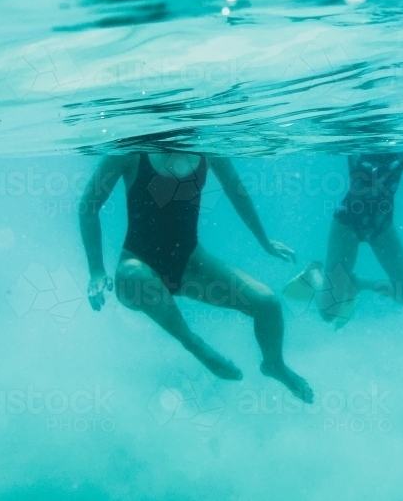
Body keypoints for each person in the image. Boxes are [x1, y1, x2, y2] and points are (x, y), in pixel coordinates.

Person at [80, 151, 313, 403]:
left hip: (191, 265)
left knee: (267, 303)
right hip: (135, 273)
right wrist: (96, 271)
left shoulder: (209, 149)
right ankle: (194, 344)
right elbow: (88, 207)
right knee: (135, 274)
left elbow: (237, 192)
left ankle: (274, 364)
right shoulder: (130, 151)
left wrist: (264, 241)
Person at [286, 151, 403, 326]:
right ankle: (312, 272)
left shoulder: (401, 143)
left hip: (382, 226)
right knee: (328, 312)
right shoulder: (358, 140)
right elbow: (365, 178)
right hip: (348, 223)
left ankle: (358, 282)